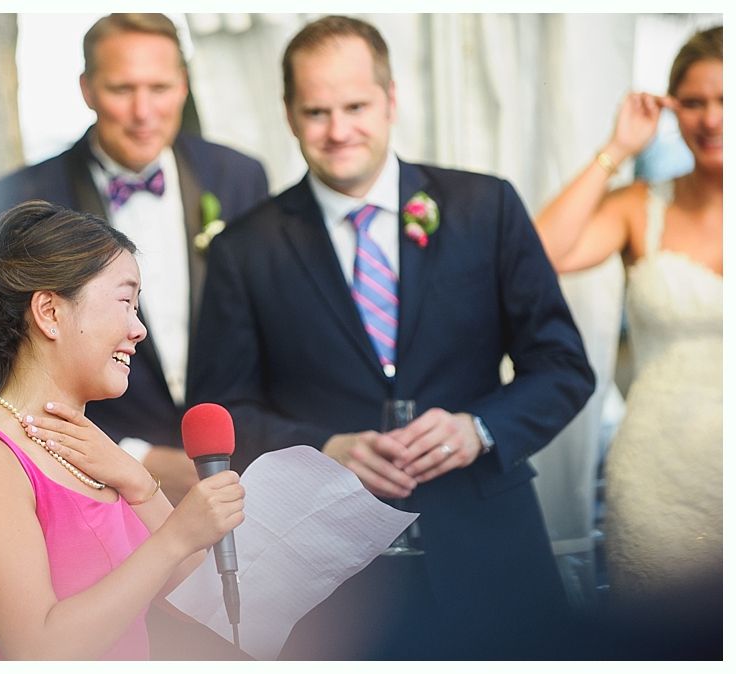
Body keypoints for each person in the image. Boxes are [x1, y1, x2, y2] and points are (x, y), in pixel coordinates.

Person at [189, 16, 595, 659]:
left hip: (490, 548)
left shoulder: (485, 208)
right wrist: (322, 447)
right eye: (316, 111)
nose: (339, 130)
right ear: (290, 115)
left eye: (356, 106)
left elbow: (564, 366)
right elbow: (219, 411)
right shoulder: (246, 248)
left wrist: (479, 428)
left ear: (391, 99)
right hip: (333, 585)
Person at [0, 13, 269, 508]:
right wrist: (132, 456)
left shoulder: (241, 178)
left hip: (235, 474)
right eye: (122, 89)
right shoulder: (16, 203)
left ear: (184, 86)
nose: (143, 111)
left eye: (160, 87)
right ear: (86, 89)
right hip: (87, 484)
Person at [0, 201, 245, 660]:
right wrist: (175, 535)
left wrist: (139, 483)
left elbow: (204, 607)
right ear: (50, 312)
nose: (139, 330)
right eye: (125, 302)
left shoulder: (91, 453)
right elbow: (41, 650)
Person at [534, 26, 722, 631]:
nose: (711, 119)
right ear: (671, 108)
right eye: (694, 102)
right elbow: (540, 252)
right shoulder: (640, 207)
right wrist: (616, 148)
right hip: (659, 482)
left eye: (727, 99)